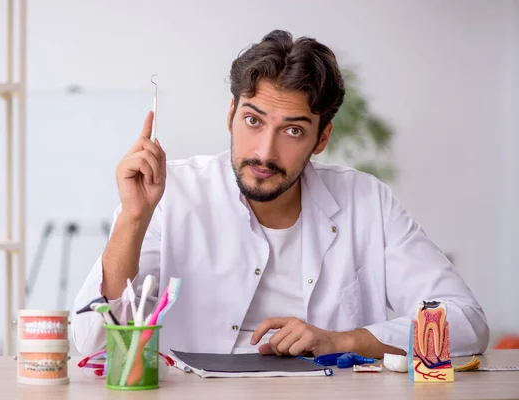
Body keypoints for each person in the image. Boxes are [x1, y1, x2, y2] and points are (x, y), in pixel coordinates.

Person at [71, 29, 489, 359]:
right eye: (253, 121)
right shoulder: (171, 193)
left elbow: (467, 323)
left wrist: (343, 341)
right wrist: (133, 219)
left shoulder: (366, 201)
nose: (265, 153)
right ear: (231, 114)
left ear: (321, 137)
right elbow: (90, 341)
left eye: (293, 130)